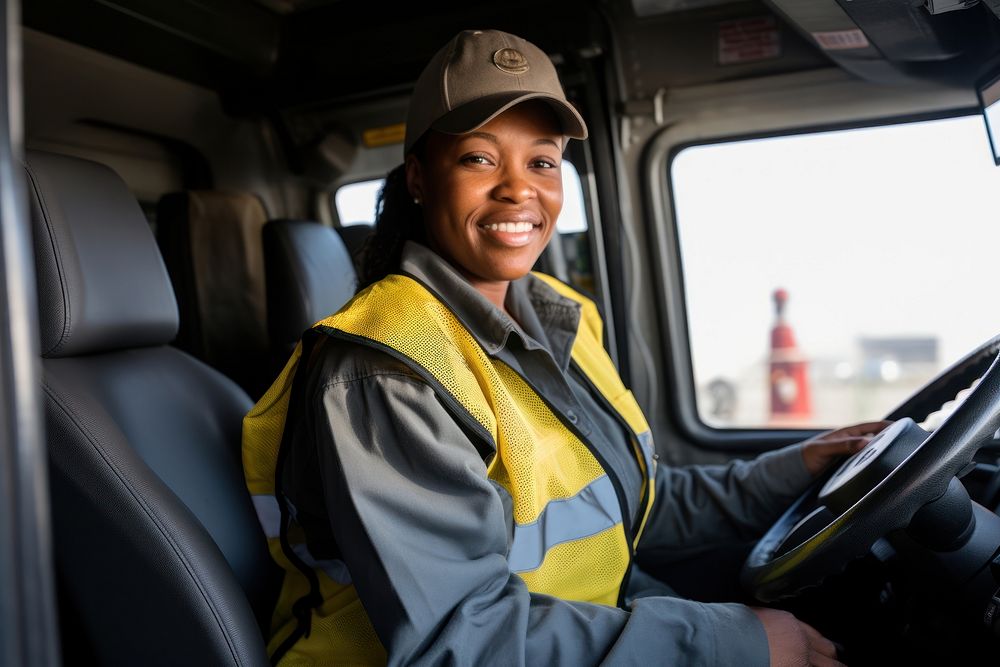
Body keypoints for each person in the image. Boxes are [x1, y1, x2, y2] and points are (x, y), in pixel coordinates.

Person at [243, 29, 887, 666]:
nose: (519, 189)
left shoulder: (561, 316)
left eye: (542, 161)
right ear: (418, 177)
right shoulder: (384, 370)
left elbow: (632, 507)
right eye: (479, 158)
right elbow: (461, 640)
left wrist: (798, 464)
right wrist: (726, 643)